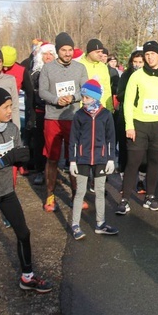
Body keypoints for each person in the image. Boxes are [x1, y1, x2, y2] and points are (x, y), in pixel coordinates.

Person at [0, 86, 52, 309]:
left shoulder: (13, 129)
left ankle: (27, 276)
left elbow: (15, 154)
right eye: (5, 107)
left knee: (23, 232)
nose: (10, 110)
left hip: (7, 191)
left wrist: (22, 158)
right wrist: (6, 160)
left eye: (11, 106)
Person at [117, 40, 158, 214]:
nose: (150, 57)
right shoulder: (136, 76)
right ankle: (124, 199)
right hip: (139, 124)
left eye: (152, 53)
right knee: (133, 162)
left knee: (154, 163)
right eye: (147, 54)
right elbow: (128, 102)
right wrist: (129, 126)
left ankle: (150, 197)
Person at [38, 32, 89, 212]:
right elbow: (42, 91)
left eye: (69, 50)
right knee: (52, 158)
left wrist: (73, 97)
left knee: (74, 158)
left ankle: (76, 195)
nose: (67, 53)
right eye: (63, 50)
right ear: (57, 50)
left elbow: (85, 88)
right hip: (53, 117)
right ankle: (50, 195)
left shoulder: (80, 68)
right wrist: (55, 99)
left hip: (74, 117)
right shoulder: (48, 68)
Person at [68, 79, 118, 239]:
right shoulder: (79, 115)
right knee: (80, 192)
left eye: (87, 97)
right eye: (82, 97)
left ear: (95, 97)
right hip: (82, 158)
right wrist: (73, 160)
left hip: (101, 158)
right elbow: (73, 139)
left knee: (100, 190)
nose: (84, 100)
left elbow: (111, 138)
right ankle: (75, 225)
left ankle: (100, 223)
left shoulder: (106, 114)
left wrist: (111, 159)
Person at [1, 45, 36, 175]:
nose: (4, 68)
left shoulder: (21, 70)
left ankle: (21, 165)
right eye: (3, 65)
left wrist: (31, 113)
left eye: (7, 66)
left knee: (18, 139)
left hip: (13, 110)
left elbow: (30, 92)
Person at [29, 42, 57, 185]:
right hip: (40, 112)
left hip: (55, 112)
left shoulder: (58, 71)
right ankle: (40, 171)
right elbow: (31, 95)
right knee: (39, 143)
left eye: (51, 54)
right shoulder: (35, 73)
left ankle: (53, 172)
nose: (48, 57)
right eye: (45, 54)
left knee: (53, 144)